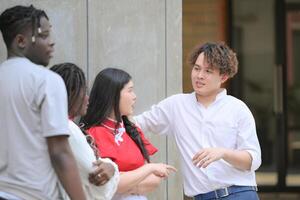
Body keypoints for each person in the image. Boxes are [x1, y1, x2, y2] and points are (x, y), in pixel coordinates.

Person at [134, 42, 262, 200]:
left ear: (223, 76)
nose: (199, 75)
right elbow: (136, 124)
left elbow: (253, 160)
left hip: (239, 194)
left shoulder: (237, 109)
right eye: (196, 68)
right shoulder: (176, 105)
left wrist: (223, 153)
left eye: (208, 71)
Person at [0, 5, 86, 200]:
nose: (52, 42)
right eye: (44, 35)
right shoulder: (47, 80)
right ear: (21, 41)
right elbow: (60, 153)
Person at [80, 68, 176, 200]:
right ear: (113, 95)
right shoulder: (95, 133)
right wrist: (149, 169)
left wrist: (123, 185)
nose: (134, 96)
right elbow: (108, 182)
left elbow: (154, 180)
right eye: (130, 90)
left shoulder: (131, 129)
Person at [50, 63, 120, 200]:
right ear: (71, 92)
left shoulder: (42, 124)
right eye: (85, 91)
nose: (88, 98)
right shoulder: (68, 129)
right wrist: (113, 169)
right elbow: (99, 184)